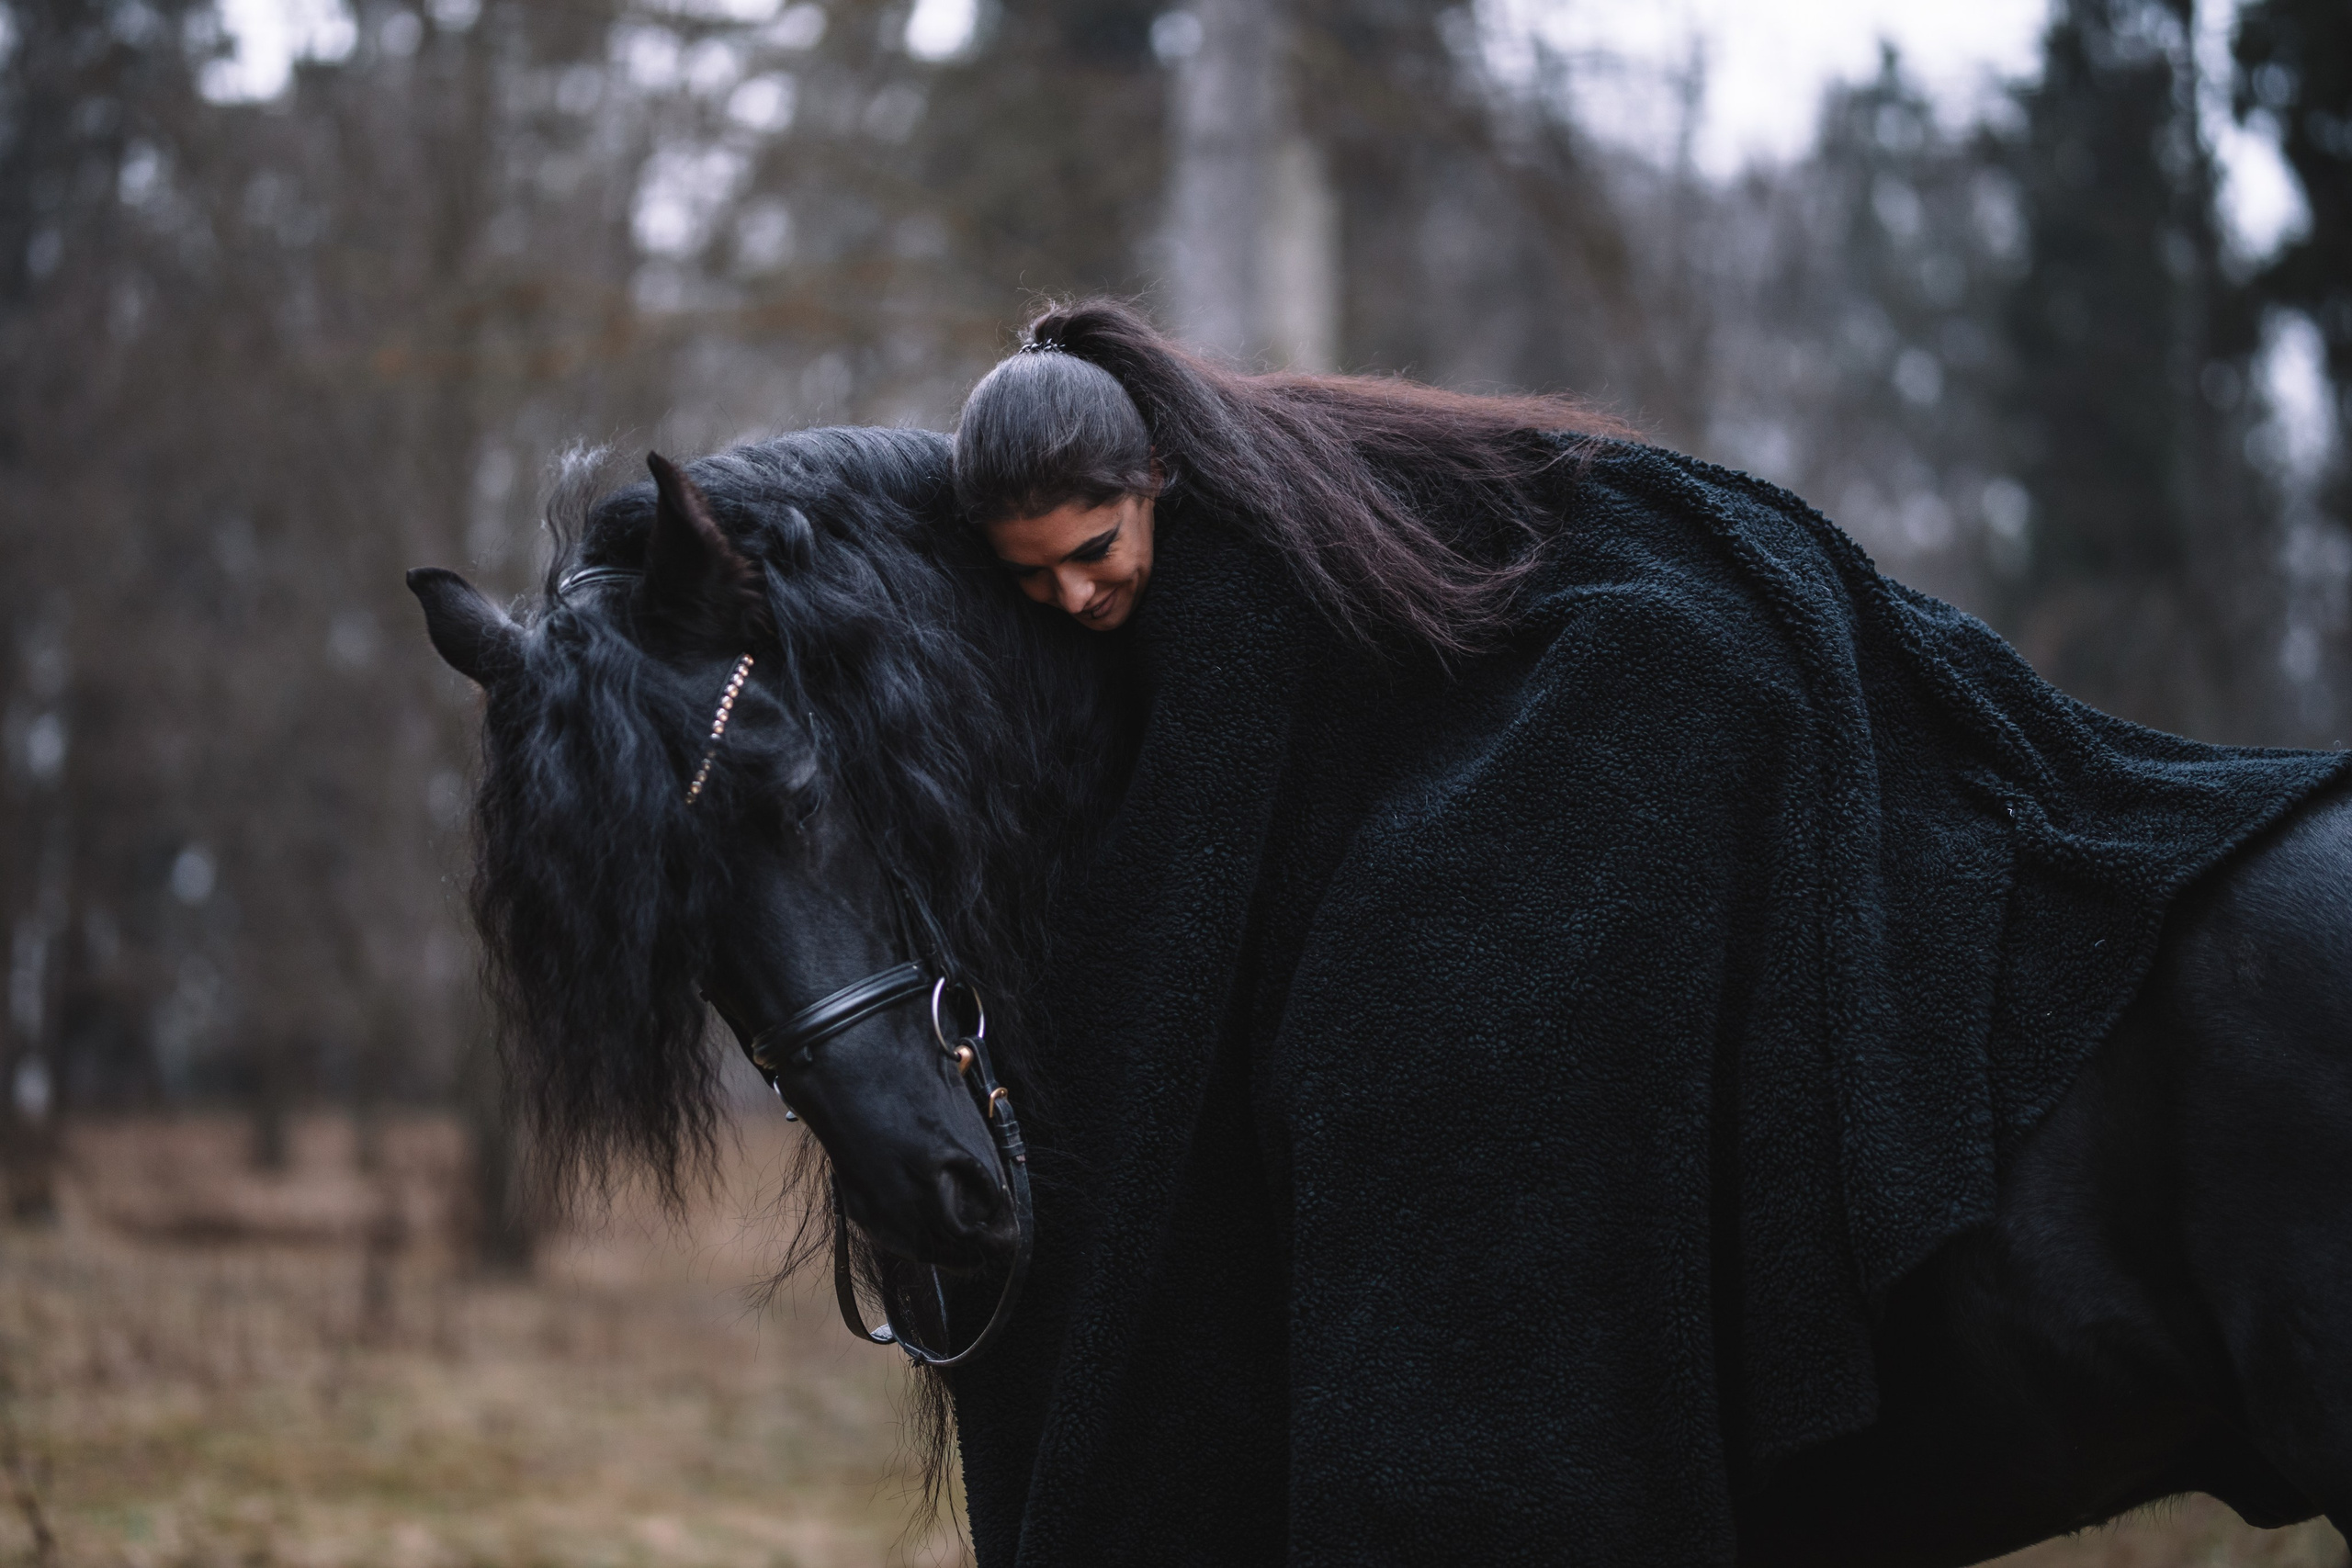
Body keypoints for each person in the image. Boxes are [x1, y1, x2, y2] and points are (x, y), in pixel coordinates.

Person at [933, 299, 2346, 1565]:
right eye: (1031, 578)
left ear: (1154, 484)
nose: (1075, 598)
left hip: (1663, 665)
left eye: (1093, 551)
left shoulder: (1245, 565)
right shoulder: (1235, 539)